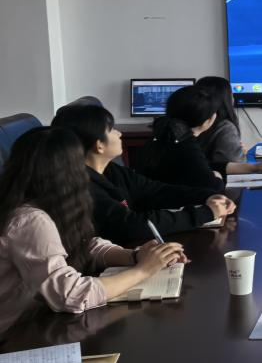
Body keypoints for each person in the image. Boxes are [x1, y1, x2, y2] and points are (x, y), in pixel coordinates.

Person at [0, 127, 186, 335]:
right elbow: (70, 296)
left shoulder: (42, 204)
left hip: (30, 318)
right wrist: (143, 270)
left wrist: (134, 256)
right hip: (10, 334)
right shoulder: (29, 220)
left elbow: (84, 243)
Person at [52, 105, 236, 246]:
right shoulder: (81, 186)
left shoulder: (109, 170)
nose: (119, 133)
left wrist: (206, 196)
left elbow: (154, 191)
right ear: (99, 145)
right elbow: (131, 225)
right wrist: (205, 213)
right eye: (112, 129)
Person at [142, 86, 262, 191]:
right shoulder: (185, 145)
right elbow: (213, 186)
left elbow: (204, 166)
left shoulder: (165, 136)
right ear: (207, 120)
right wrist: (216, 176)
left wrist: (252, 168)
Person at [195, 76, 244, 164]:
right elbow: (234, 163)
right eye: (231, 94)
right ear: (226, 99)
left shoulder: (187, 122)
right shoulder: (225, 127)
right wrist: (240, 154)